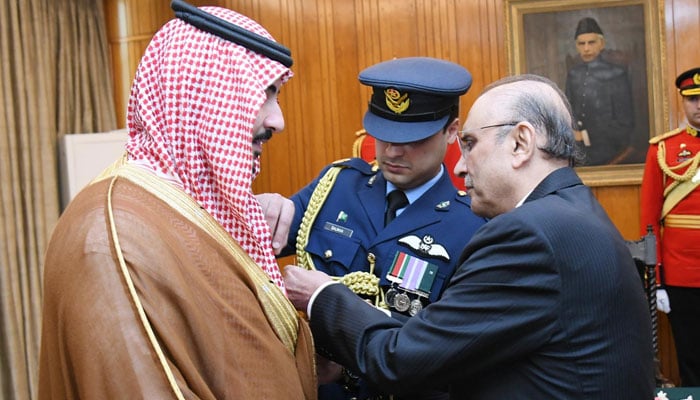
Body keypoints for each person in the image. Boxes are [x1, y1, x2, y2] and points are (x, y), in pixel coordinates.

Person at [284, 74, 656, 399]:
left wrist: (321, 295)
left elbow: (400, 359)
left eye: (472, 144)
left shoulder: (527, 236)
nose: (460, 166)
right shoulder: (571, 212)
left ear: (520, 143)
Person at [37, 1, 316, 399]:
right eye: (264, 93)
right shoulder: (113, 239)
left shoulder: (180, 207)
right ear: (208, 94)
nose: (277, 120)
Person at [260, 56, 487, 400]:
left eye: (413, 138)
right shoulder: (337, 186)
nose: (393, 151)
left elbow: (451, 357)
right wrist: (261, 207)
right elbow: (265, 235)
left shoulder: (472, 225)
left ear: (451, 130)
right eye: (382, 134)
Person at [640, 66, 700, 387]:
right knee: (690, 357)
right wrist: (658, 281)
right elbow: (650, 220)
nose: (699, 105)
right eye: (693, 99)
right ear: (683, 102)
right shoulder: (663, 150)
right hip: (682, 273)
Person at [565, 17, 635, 165]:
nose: (586, 48)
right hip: (578, 152)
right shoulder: (573, 75)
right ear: (576, 46)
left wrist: (586, 136)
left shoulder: (616, 74)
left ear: (601, 44)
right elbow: (568, 112)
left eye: (591, 43)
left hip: (608, 150)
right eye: (581, 44)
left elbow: (625, 122)